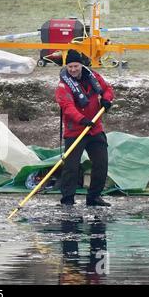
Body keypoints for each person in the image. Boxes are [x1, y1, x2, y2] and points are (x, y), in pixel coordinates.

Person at [55, 49, 114, 206]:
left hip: (95, 128)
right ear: (66, 67)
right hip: (75, 130)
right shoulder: (63, 85)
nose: (73, 70)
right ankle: (67, 200)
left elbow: (108, 89)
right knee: (71, 167)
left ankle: (94, 197)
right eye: (70, 67)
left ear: (81, 65)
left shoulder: (93, 76)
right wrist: (82, 119)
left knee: (101, 163)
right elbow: (67, 106)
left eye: (76, 66)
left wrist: (106, 100)